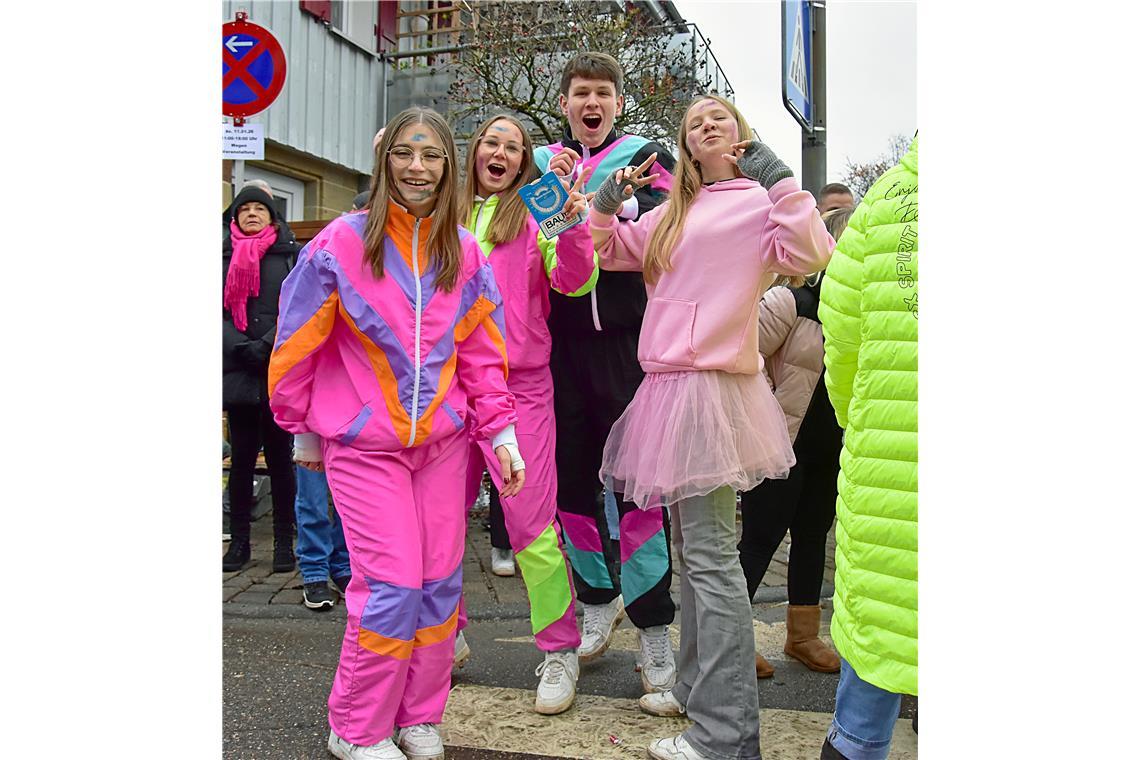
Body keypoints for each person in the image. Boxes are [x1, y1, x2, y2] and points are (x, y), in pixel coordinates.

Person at [268, 106, 525, 760]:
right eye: (405, 153)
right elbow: (297, 342)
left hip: (441, 448)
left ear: (449, 166)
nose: (417, 167)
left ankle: (418, 715)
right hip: (364, 449)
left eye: (432, 155)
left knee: (440, 586)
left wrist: (502, 435)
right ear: (385, 163)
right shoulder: (342, 244)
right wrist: (303, 431)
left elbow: (481, 353)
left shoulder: (464, 252)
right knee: (391, 588)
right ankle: (355, 727)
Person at [588, 94, 833, 760]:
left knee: (711, 560)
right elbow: (603, 248)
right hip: (669, 387)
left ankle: (726, 736)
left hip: (713, 387)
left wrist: (778, 174)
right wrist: (609, 197)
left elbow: (813, 248)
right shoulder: (675, 213)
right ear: (689, 145)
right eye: (694, 123)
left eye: (717, 116)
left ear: (740, 134)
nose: (704, 124)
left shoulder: (759, 202)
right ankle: (697, 694)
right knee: (696, 557)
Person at [533, 51, 679, 693]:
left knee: (640, 492)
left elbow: (672, 223)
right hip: (558, 348)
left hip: (627, 344)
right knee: (571, 489)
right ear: (564, 104)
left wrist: (611, 202)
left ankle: (653, 629)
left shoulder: (648, 156)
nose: (591, 104)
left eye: (602, 93)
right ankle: (595, 603)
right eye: (579, 94)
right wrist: (550, 194)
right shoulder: (541, 164)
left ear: (617, 103)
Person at [454, 113, 597, 714]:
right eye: (492, 141)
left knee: (532, 525)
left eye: (513, 147)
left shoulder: (536, 213)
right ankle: (445, 637)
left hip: (520, 389)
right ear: (475, 153)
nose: (501, 152)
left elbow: (574, 279)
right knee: (439, 523)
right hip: (447, 389)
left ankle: (560, 650)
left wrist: (571, 223)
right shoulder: (447, 215)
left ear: (524, 162)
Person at [817, 136, 917, 760]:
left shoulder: (885, 203)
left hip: (888, 472)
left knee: (882, 630)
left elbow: (843, 336)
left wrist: (865, 423)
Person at [736, 206, 854, 678]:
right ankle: (731, 637)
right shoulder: (794, 302)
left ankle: (803, 635)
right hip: (780, 442)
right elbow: (740, 354)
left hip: (834, 447)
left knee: (812, 535)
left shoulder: (868, 315)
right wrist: (759, 412)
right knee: (760, 537)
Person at [223, 186, 301, 573]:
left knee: (280, 461)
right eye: (244, 209)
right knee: (240, 460)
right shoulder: (221, 258)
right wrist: (239, 344)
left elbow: (298, 305)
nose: (252, 214)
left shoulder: (288, 256)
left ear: (272, 217)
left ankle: (284, 543)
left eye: (260, 209)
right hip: (237, 369)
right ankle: (238, 543)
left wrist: (267, 344)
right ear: (234, 218)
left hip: (277, 368)